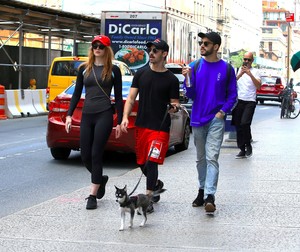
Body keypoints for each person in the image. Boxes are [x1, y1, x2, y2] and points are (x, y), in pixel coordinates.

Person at [120, 39, 180, 213]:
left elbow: (174, 102)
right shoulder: (141, 74)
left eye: (155, 50)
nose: (151, 53)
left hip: (160, 127)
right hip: (142, 125)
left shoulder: (171, 79)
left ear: (164, 54)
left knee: (151, 162)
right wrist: (125, 117)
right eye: (150, 50)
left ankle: (147, 199)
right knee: (141, 162)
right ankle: (155, 184)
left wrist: (174, 107)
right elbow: (131, 99)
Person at [65, 35, 123, 210]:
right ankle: (100, 179)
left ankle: (92, 195)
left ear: (107, 49)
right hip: (87, 115)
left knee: (96, 153)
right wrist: (69, 115)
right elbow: (76, 94)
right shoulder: (84, 68)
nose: (97, 48)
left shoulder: (114, 69)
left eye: (101, 46)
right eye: (95, 46)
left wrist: (120, 121)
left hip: (104, 114)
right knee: (85, 155)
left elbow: (119, 98)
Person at [182, 32, 237, 213]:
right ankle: (202, 189)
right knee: (200, 159)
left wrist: (222, 113)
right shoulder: (195, 66)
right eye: (201, 43)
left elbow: (232, 95)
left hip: (216, 119)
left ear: (216, 47)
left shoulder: (227, 69)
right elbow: (190, 94)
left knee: (212, 157)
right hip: (198, 118)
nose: (202, 45)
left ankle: (210, 196)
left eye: (206, 43)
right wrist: (187, 78)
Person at [231, 52, 261, 159]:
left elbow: (258, 86)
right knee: (238, 125)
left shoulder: (256, 72)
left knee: (245, 123)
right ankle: (242, 149)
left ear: (252, 61)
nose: (246, 61)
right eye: (245, 59)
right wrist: (241, 74)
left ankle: (248, 144)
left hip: (250, 101)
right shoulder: (238, 70)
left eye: (249, 60)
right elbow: (232, 84)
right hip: (240, 101)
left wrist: (250, 74)